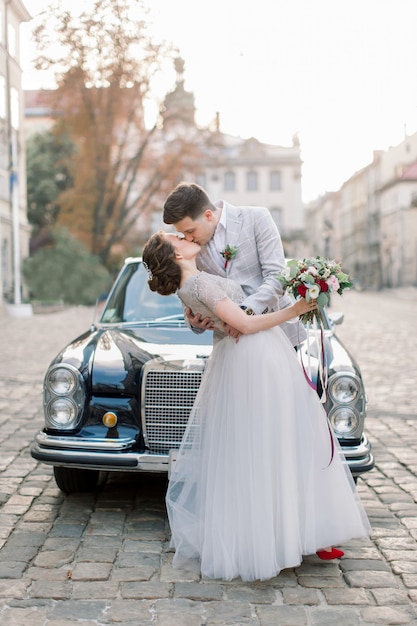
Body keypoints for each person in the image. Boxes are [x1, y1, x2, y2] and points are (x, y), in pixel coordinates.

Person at [142, 230, 371, 583]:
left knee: (274, 445)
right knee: (276, 444)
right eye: (176, 236)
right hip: (255, 358)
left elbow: (225, 320)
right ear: (175, 255)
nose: (183, 235)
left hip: (248, 358)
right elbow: (246, 324)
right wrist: (296, 309)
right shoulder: (198, 285)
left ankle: (297, 532)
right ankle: (279, 538)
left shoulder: (190, 286)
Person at [163, 181, 306, 346]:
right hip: (229, 343)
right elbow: (189, 285)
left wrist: (245, 313)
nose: (187, 238)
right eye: (182, 233)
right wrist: (193, 322)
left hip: (278, 334)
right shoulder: (191, 248)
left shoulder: (257, 218)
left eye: (190, 231)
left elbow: (277, 276)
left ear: (208, 215)